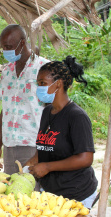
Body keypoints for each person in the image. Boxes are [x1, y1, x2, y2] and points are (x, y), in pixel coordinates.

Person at [26, 56, 98, 208]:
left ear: (58, 84)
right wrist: (29, 165)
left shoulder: (76, 116)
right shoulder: (47, 112)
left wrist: (47, 167)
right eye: (38, 83)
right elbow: (45, 146)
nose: (39, 88)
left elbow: (85, 158)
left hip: (76, 194)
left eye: (42, 83)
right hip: (51, 193)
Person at [0, 24, 50, 175]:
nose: (6, 51)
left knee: (32, 192)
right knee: (11, 191)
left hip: (33, 144)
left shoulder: (43, 67)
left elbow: (53, 110)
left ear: (22, 43)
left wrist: (46, 147)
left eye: (9, 46)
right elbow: (5, 111)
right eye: (3, 47)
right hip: (10, 145)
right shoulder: (7, 72)